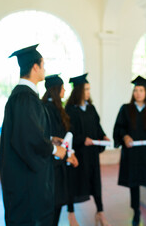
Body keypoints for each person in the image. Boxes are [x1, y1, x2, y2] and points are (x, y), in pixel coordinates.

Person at [0, 44, 67, 225]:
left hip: (23, 178)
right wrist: (54, 149)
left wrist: (49, 138)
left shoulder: (23, 96)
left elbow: (27, 132)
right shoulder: (25, 98)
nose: (44, 69)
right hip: (26, 182)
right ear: (35, 67)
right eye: (43, 65)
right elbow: (28, 138)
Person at [113, 76, 146, 226]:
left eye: (141, 90)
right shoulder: (126, 109)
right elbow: (119, 128)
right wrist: (125, 136)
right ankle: (136, 212)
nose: (138, 93)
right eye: (135, 90)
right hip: (132, 154)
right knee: (133, 184)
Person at [65, 73, 111, 226]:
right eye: (86, 89)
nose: (88, 92)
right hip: (78, 154)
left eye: (89, 89)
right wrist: (82, 139)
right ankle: (71, 216)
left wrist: (103, 136)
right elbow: (68, 132)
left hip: (91, 154)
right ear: (78, 91)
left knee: (96, 183)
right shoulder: (70, 110)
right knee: (73, 184)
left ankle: (100, 213)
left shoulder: (91, 108)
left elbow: (97, 127)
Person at [42, 74, 79, 226]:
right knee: (54, 204)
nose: (64, 91)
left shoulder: (52, 107)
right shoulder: (49, 109)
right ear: (56, 90)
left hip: (59, 161)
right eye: (62, 88)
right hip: (54, 164)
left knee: (56, 203)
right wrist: (67, 155)